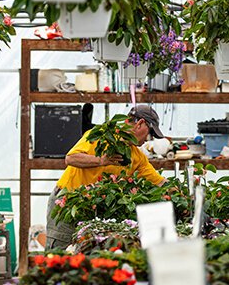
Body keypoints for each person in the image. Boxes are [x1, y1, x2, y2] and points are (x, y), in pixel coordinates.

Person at [45, 104, 167, 250]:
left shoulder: (136, 156)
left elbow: (160, 183)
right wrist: (101, 160)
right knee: (60, 250)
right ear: (140, 123)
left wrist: (182, 193)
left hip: (92, 207)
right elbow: (71, 158)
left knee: (88, 252)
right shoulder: (101, 135)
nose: (149, 140)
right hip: (67, 201)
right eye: (150, 133)